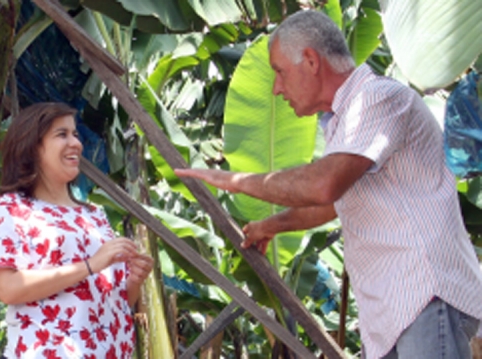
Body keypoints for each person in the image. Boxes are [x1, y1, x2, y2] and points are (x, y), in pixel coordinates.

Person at [175, 10, 482, 359]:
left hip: (423, 293)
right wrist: (272, 225)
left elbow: (324, 186)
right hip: (396, 308)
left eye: (279, 72)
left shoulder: (377, 98)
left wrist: (238, 181)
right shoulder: (344, 122)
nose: (276, 88)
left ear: (310, 60)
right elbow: (334, 202)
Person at [0, 102, 153, 359]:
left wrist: (134, 281)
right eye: (62, 134)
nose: (76, 143)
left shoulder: (94, 215)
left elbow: (116, 301)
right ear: (32, 146)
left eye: (75, 134)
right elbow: (8, 289)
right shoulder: (11, 209)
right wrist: (91, 264)